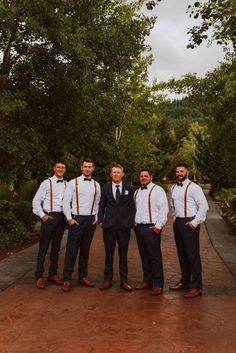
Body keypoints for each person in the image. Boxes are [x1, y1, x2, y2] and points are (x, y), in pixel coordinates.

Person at [170, 163, 209, 298]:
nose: (179, 173)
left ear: (187, 172)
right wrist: (175, 219)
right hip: (178, 222)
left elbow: (204, 206)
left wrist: (194, 223)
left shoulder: (194, 188)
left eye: (181, 171)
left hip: (190, 223)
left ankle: (196, 286)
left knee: (192, 255)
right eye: (177, 171)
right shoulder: (173, 187)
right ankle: (185, 281)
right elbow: (173, 205)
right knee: (182, 254)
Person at [62, 158, 101, 292]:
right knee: (72, 250)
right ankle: (67, 278)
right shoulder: (73, 183)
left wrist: (96, 218)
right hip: (77, 219)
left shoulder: (97, 185)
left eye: (90, 167)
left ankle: (82, 276)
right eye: (85, 166)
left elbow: (97, 203)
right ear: (81, 168)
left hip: (90, 221)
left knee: (85, 249)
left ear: (93, 169)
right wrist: (69, 219)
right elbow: (65, 202)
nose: (87, 169)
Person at [98, 164, 135, 291]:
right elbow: (101, 205)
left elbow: (132, 207)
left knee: (123, 255)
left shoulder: (129, 189)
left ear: (122, 174)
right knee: (109, 254)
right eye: (114, 172)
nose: (116, 174)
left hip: (124, 227)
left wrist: (130, 223)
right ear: (110, 174)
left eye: (118, 172)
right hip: (109, 226)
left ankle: (124, 280)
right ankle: (107, 280)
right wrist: (100, 220)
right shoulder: (105, 188)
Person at [134, 168, 169, 296]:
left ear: (151, 177)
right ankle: (147, 280)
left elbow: (164, 209)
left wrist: (158, 226)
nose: (143, 178)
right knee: (144, 256)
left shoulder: (158, 190)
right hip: (139, 228)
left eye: (146, 176)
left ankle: (158, 284)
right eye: (141, 176)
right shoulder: (137, 192)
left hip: (151, 228)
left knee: (154, 256)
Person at [32, 161, 67, 289]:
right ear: (54, 168)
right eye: (58, 167)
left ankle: (53, 274)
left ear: (65, 170)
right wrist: (43, 216)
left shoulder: (66, 184)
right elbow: (36, 201)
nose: (60, 169)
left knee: (56, 248)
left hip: (61, 218)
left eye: (63, 167)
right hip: (49, 217)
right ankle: (39, 275)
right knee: (43, 247)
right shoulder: (46, 183)